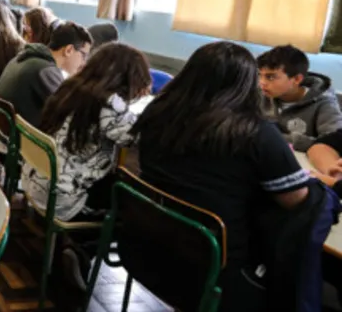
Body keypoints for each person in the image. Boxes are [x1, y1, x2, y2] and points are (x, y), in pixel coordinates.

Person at [132, 41, 313, 311]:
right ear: (246, 84)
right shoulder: (256, 133)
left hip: (147, 248)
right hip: (215, 270)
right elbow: (297, 200)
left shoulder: (157, 112)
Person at [26, 43, 151, 222]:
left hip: (38, 183)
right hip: (62, 200)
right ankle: (91, 243)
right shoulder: (108, 103)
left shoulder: (71, 87)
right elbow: (137, 137)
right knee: (136, 198)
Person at [0, 21, 91, 125]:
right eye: (84, 56)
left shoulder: (24, 57)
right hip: (19, 138)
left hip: (0, 134)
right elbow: (70, 112)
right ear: (69, 50)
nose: (84, 63)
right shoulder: (46, 70)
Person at [257, 45, 342, 151]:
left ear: (297, 79)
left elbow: (334, 142)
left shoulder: (324, 103)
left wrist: (275, 138)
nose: (262, 83)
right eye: (260, 75)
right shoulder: (260, 95)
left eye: (270, 77)